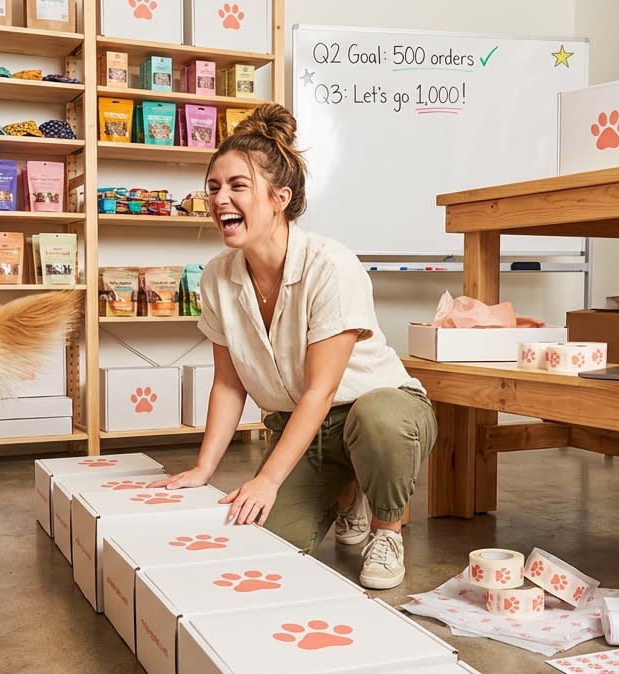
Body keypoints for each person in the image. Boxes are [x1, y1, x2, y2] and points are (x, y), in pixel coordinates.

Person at [156, 103, 437, 590]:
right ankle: (348, 493)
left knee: (378, 418)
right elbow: (227, 383)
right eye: (214, 187)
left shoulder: (332, 265)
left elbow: (320, 393)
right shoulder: (218, 277)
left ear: (279, 198)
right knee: (261, 546)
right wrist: (205, 467)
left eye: (237, 186)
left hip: (377, 414)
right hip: (302, 430)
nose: (220, 198)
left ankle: (386, 528)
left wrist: (266, 479)